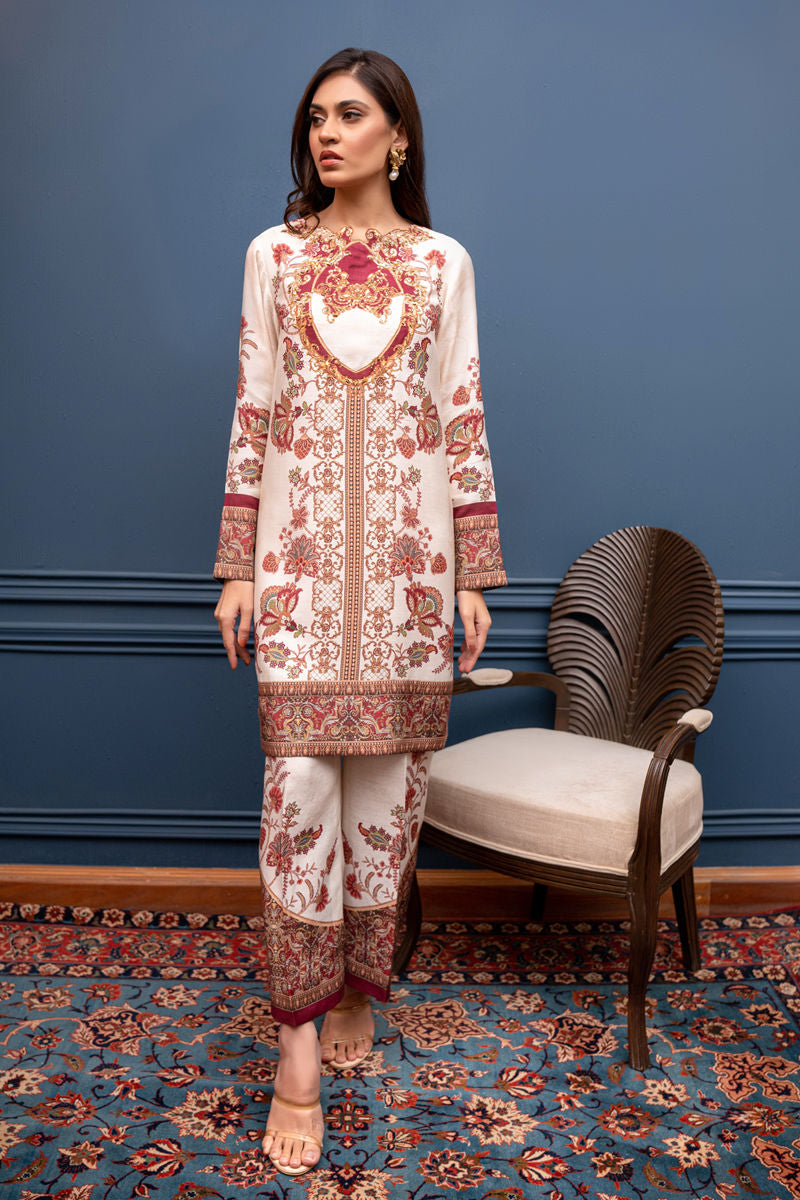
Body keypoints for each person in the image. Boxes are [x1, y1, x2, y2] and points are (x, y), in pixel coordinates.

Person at [213, 47, 506, 1177]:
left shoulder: (442, 263)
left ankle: (355, 990)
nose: (325, 134)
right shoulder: (273, 255)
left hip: (406, 575)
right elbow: (253, 406)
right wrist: (238, 566)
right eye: (314, 119)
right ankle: (296, 1052)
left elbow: (461, 411)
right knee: (296, 796)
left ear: (399, 135)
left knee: (386, 803)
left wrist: (473, 574)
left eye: (348, 115)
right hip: (293, 573)